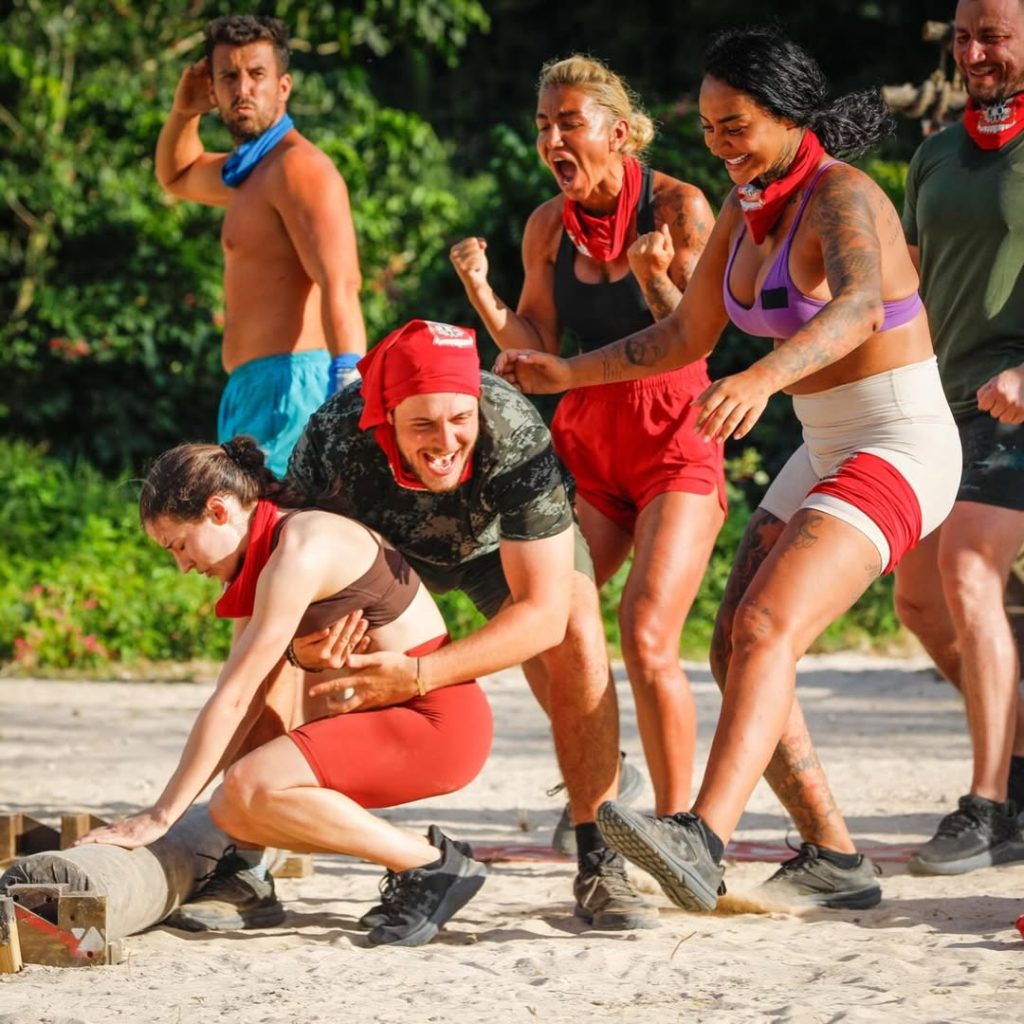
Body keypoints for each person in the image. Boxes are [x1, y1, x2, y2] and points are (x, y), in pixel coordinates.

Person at [496, 26, 960, 911]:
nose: (720, 146)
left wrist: (762, 377)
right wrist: (567, 374)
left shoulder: (842, 193)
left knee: (763, 626)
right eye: (709, 129)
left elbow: (862, 306)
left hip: (900, 440)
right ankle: (834, 856)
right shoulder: (747, 210)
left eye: (736, 127)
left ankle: (702, 838)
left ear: (788, 118)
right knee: (729, 643)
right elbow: (682, 333)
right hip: (826, 443)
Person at [284, 317, 659, 931]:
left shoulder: (512, 426)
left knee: (576, 625)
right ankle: (246, 854)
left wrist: (419, 676)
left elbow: (543, 615)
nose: (446, 440)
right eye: (423, 425)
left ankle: (601, 857)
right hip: (384, 553)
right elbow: (286, 562)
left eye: (460, 419)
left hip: (495, 547)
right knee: (298, 648)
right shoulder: (335, 433)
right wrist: (300, 646)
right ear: (385, 416)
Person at [449, 56, 724, 846]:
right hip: (591, 447)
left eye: (569, 122)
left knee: (646, 634)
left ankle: (680, 829)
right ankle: (606, 780)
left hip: (674, 437)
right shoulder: (547, 224)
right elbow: (535, 340)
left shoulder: (679, 206)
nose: (552, 139)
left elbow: (697, 333)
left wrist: (657, 280)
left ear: (619, 130)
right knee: (537, 621)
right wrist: (481, 292)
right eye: (544, 125)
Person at [77, 437, 492, 948]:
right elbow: (248, 699)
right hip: (398, 719)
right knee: (236, 801)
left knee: (248, 789)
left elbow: (234, 697)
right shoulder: (268, 551)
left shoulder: (301, 548)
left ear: (218, 510)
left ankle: (430, 865)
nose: (183, 566)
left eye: (179, 545)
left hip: (437, 726)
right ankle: (248, 879)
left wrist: (159, 817)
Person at [895, 0, 1024, 875]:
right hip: (936, 404)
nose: (975, 53)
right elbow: (906, 286)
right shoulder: (935, 153)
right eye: (965, 36)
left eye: (995, 37)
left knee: (969, 567)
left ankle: (988, 806)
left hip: (1017, 401)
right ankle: (1016, 763)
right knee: (917, 602)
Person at [155, 14, 366, 476]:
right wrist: (184, 112)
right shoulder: (248, 173)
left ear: (283, 86)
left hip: (292, 388)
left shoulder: (297, 168)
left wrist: (349, 392)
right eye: (228, 76)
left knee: (275, 521)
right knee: (239, 524)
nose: (243, 89)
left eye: (256, 74)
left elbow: (342, 282)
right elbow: (176, 175)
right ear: (213, 89)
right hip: (248, 389)